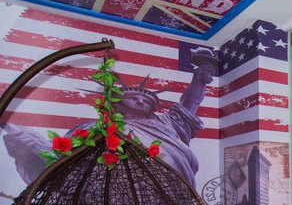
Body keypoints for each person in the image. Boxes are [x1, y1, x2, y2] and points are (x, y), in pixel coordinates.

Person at [2, 47, 217, 188]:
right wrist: (29, 149)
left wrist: (199, 79)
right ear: (116, 103)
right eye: (134, 98)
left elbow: (190, 104)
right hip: (118, 193)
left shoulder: (164, 122)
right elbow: (62, 162)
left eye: (147, 101)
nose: (141, 101)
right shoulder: (94, 128)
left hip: (172, 186)